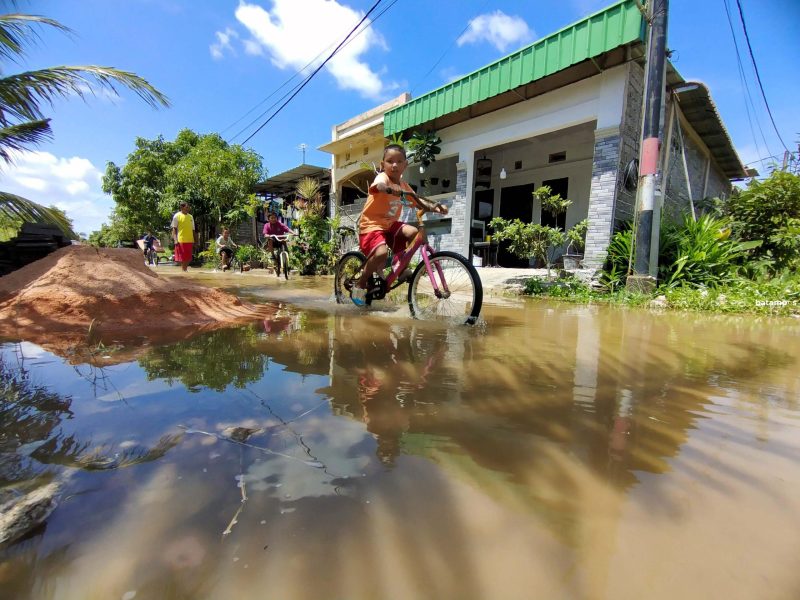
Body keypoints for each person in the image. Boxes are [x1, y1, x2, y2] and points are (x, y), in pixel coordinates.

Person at [351, 144, 448, 306]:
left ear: (405, 165)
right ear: (383, 165)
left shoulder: (404, 186)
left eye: (399, 161)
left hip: (389, 226)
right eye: (390, 161)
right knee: (381, 253)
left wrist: (437, 208)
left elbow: (419, 201)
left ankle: (400, 268)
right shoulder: (383, 178)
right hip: (371, 226)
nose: (394, 165)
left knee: (413, 232)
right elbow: (379, 185)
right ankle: (361, 283)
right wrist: (388, 189)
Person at [261, 212, 297, 278]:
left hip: (281, 240)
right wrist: (266, 235)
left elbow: (287, 229)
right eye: (272, 218)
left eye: (274, 218)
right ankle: (272, 255)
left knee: (284, 242)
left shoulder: (280, 224)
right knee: (270, 240)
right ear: (269, 219)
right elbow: (265, 233)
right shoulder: (267, 225)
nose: (273, 219)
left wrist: (293, 233)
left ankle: (286, 261)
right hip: (273, 241)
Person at [171, 202, 195, 272]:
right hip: (181, 239)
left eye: (188, 207)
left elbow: (193, 229)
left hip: (190, 239)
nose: (188, 208)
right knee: (183, 258)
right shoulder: (177, 216)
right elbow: (174, 229)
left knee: (188, 258)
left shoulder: (191, 217)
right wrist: (175, 240)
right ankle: (184, 271)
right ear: (182, 207)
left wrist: (195, 240)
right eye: (186, 207)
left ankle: (185, 270)